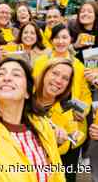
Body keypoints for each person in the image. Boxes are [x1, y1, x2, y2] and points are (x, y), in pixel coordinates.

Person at [33, 24, 92, 182]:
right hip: (44, 123)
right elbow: (33, 89)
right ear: (51, 40)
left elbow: (85, 95)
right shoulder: (40, 62)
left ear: (71, 40)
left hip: (72, 127)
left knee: (67, 173)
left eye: (64, 37)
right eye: (57, 37)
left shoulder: (78, 66)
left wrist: (82, 111)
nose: (60, 41)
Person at [34, 59, 75, 156]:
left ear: (68, 85)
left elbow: (65, 147)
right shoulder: (24, 96)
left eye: (65, 78)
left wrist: (57, 143)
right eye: (55, 73)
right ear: (44, 73)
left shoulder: (67, 112)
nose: (58, 80)